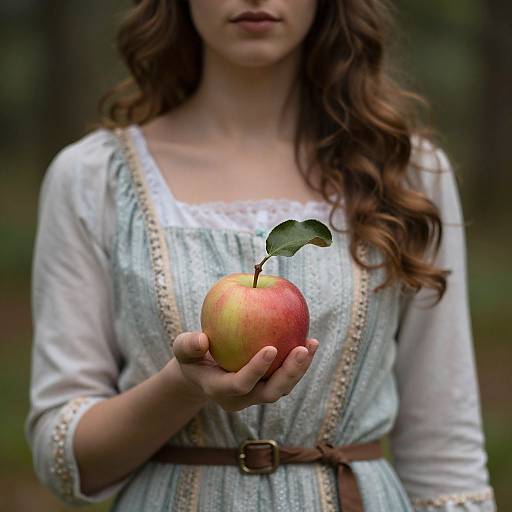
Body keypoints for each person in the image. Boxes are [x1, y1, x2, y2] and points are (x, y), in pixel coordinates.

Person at [25, 1, 496, 510]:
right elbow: (65, 460)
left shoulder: (406, 172)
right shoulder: (92, 178)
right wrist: (184, 386)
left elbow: (445, 449)